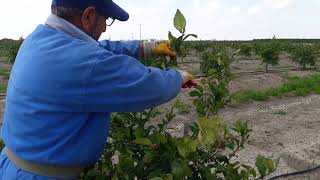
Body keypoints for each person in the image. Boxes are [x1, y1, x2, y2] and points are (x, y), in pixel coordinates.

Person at [0, 0, 194, 179]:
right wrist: (177, 77)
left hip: (13, 164)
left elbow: (99, 47)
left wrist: (146, 47)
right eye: (106, 20)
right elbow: (148, 85)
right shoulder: (84, 62)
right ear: (88, 16)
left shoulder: (39, 39)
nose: (103, 28)